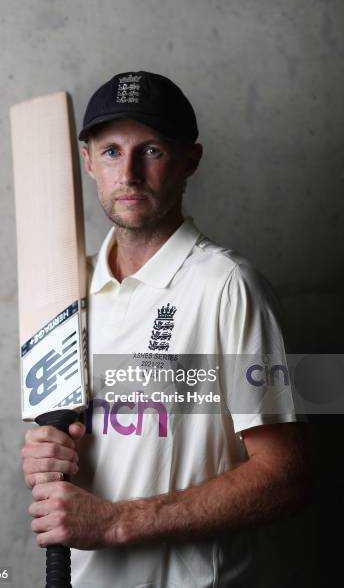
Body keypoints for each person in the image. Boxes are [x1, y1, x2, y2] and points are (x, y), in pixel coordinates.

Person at [21, 71, 311, 587]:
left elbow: (288, 476)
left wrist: (118, 523)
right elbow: (76, 447)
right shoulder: (67, 291)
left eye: (150, 150)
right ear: (88, 161)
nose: (127, 173)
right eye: (111, 151)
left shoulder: (231, 286)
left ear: (189, 161)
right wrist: (46, 454)